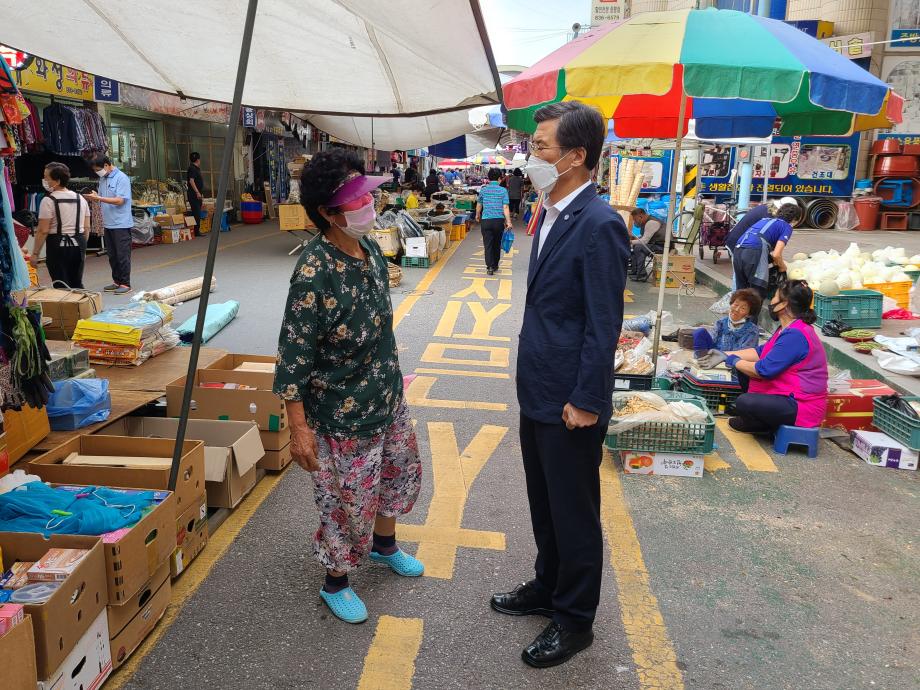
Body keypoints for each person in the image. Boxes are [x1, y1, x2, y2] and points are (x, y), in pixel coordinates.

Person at [491, 101, 629, 668]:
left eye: (543, 147)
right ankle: (548, 586)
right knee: (543, 500)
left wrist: (588, 400)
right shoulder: (549, 211)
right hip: (538, 386)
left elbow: (605, 324)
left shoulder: (600, 223)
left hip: (571, 396)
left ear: (575, 157)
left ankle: (574, 620)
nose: (533, 156)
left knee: (574, 511)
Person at [272, 149, 423, 625]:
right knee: (347, 503)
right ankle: (335, 580)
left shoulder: (371, 249)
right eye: (355, 201)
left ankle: (384, 546)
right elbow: (292, 359)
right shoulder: (314, 272)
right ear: (327, 214)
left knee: (397, 476)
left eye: (367, 195)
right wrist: (300, 429)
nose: (368, 206)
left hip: (387, 397)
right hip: (341, 414)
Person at [697, 280, 827, 433]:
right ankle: (758, 422)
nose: (771, 301)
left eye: (775, 297)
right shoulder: (788, 328)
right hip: (787, 395)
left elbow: (763, 370)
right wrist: (724, 354)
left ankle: (760, 424)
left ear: (784, 304)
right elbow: (759, 352)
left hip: (801, 406)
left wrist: (731, 360)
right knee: (743, 370)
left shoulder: (796, 335)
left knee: (744, 402)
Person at [32, 163, 89, 289]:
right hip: (79, 243)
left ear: (57, 181)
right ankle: (81, 307)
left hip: (57, 246)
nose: (44, 180)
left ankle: (65, 307)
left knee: (60, 284)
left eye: (46, 177)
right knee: (77, 282)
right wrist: (82, 248)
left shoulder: (48, 201)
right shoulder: (81, 199)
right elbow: (86, 228)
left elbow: (42, 230)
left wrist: (35, 254)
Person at [84, 155, 133, 294]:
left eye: (98, 169)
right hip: (108, 223)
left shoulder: (121, 178)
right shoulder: (103, 178)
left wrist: (98, 197)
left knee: (122, 255)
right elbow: (102, 197)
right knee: (112, 255)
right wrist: (95, 195)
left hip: (121, 223)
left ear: (106, 165)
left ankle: (125, 283)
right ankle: (117, 280)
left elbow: (120, 200)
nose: (97, 172)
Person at [731, 202, 799, 300]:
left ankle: (736, 314)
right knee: (756, 293)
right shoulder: (786, 227)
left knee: (741, 292)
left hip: (738, 250)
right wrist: (783, 267)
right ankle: (752, 315)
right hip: (754, 251)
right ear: (794, 219)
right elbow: (776, 254)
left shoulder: (764, 220)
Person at [692, 288, 762, 355]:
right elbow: (712, 339)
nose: (736, 309)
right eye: (736, 304)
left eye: (743, 308)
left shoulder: (752, 331)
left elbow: (746, 353)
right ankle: (702, 360)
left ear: (749, 314)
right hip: (715, 356)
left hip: (736, 361)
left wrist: (725, 356)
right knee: (700, 332)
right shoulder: (721, 323)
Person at [724, 197, 797, 254]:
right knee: (751, 271)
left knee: (740, 271)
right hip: (741, 245)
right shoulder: (769, 217)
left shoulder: (766, 208)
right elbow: (772, 246)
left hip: (739, 242)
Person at [475, 167, 512, 275]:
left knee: (488, 244)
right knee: (497, 243)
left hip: (486, 220)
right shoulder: (503, 190)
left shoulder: (483, 190)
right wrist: (508, 221)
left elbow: (479, 204)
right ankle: (495, 264)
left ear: (489, 178)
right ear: (500, 178)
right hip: (498, 221)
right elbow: (505, 207)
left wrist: (477, 215)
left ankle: (490, 267)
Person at [628, 208, 666, 281]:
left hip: (662, 247)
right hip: (657, 244)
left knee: (639, 247)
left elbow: (644, 241)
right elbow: (644, 237)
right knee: (636, 246)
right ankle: (635, 271)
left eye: (635, 220)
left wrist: (630, 242)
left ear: (641, 217)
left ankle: (642, 274)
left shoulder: (651, 222)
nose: (635, 222)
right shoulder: (647, 222)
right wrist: (633, 239)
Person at [187, 152, 205, 236]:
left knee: (197, 212)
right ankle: (196, 231)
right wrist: (197, 192)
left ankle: (197, 230)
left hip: (198, 193)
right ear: (198, 159)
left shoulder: (196, 168)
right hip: (194, 194)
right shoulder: (192, 168)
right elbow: (191, 180)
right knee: (196, 212)